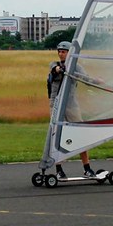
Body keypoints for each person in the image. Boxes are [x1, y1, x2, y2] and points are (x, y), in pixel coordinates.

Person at [46, 41, 96, 178]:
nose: (61, 54)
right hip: (56, 104)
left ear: (70, 53)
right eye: (59, 51)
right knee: (56, 135)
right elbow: (54, 70)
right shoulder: (54, 64)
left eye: (64, 51)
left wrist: (97, 81)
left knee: (80, 134)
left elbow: (86, 79)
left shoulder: (76, 67)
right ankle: (59, 170)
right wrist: (59, 70)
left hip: (71, 104)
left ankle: (87, 168)